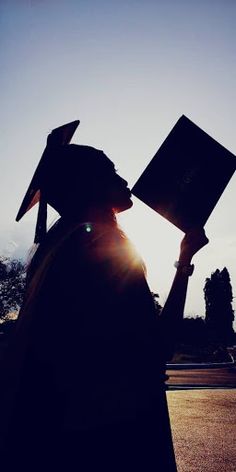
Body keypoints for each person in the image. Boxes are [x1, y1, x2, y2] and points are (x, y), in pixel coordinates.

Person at [1, 121, 208, 471]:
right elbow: (158, 345)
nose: (124, 180)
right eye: (111, 171)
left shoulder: (56, 248)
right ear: (88, 185)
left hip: (67, 433)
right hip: (115, 436)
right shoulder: (104, 244)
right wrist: (184, 260)